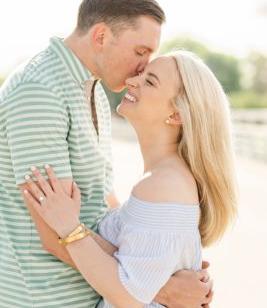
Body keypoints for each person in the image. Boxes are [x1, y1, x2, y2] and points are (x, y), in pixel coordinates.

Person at [0, 0, 212, 308]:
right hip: (46, 298)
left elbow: (102, 199)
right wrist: (162, 288)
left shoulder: (95, 90)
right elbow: (53, 231)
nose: (144, 67)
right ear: (100, 37)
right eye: (140, 52)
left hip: (95, 292)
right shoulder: (39, 92)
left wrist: (159, 268)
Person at [23, 50, 237, 308]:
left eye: (150, 81)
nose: (133, 81)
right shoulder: (163, 179)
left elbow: (128, 298)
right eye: (141, 74)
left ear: (176, 115)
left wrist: (70, 227)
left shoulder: (163, 185)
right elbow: (130, 269)